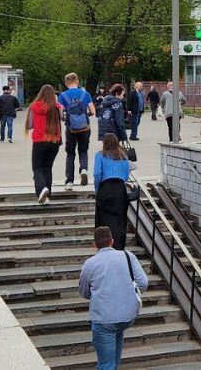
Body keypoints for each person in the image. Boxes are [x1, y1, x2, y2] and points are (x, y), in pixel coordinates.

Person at [79, 226, 147, 370]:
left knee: (105, 364)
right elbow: (143, 283)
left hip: (104, 318)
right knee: (114, 358)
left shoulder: (90, 264)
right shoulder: (128, 256)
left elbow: (84, 292)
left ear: (94, 244)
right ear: (112, 241)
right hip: (126, 316)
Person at [93, 133, 135, 250]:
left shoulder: (100, 155)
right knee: (120, 220)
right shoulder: (123, 157)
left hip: (106, 188)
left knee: (103, 219)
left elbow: (97, 174)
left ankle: (103, 245)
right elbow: (126, 176)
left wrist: (97, 189)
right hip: (120, 190)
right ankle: (119, 245)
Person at [26, 84, 66, 205]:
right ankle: (47, 196)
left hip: (39, 141)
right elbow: (62, 119)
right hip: (54, 141)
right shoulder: (58, 107)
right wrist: (56, 102)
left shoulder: (34, 107)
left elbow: (29, 125)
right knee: (47, 168)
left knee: (37, 167)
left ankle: (42, 189)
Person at [59, 73, 96, 191]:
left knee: (70, 154)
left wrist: (68, 117)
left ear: (66, 82)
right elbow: (92, 111)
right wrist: (84, 115)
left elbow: (61, 114)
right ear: (78, 81)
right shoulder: (85, 94)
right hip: (85, 128)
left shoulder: (63, 95)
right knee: (83, 150)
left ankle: (69, 181)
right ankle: (84, 169)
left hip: (71, 128)